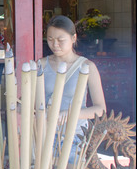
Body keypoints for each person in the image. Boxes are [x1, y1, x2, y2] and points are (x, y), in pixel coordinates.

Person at [39, 15, 106, 160]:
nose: (55, 44)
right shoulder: (42, 65)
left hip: (74, 136)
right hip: (44, 135)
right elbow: (28, 100)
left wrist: (70, 114)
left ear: (73, 38)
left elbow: (100, 109)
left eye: (60, 40)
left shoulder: (87, 67)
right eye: (50, 39)